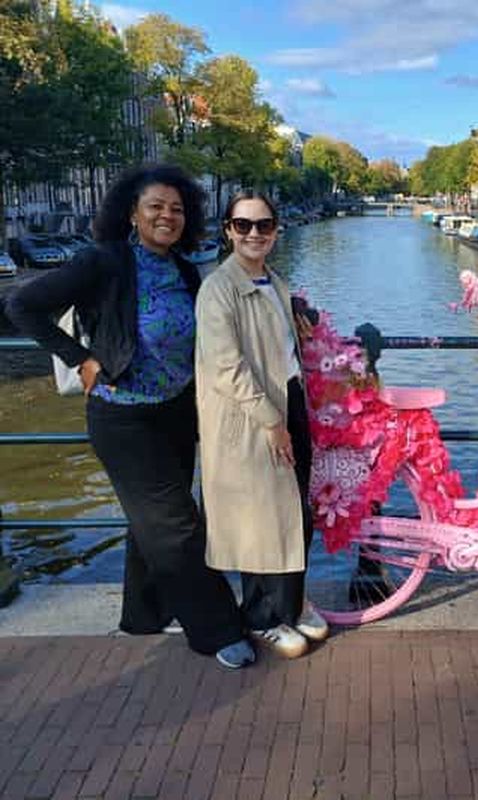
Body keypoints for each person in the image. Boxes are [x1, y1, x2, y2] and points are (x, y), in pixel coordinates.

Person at [6, 164, 254, 670]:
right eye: (155, 206)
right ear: (132, 213)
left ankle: (142, 615)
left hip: (176, 411)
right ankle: (217, 629)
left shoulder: (184, 268)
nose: (167, 216)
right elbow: (22, 305)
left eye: (177, 208)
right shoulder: (103, 261)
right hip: (123, 418)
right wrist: (80, 358)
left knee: (152, 524)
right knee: (177, 525)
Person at [194, 190, 328, 659]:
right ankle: (262, 616)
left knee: (292, 510)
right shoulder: (218, 289)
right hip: (255, 416)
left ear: (275, 230)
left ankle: (290, 604)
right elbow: (225, 365)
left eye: (264, 225)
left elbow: (277, 344)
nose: (255, 234)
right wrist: (271, 421)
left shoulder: (275, 281)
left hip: (289, 401)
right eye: (244, 225)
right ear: (228, 231)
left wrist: (299, 326)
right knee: (260, 517)